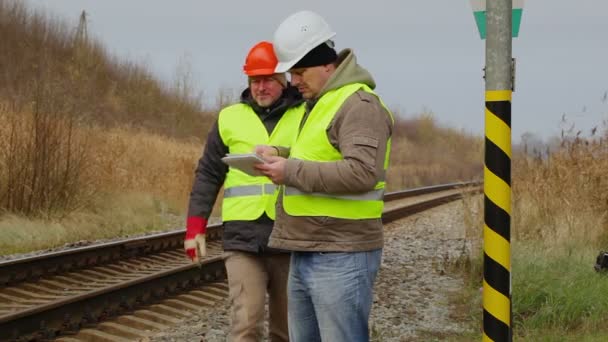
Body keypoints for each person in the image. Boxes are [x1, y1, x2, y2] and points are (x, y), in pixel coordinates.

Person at [255, 10, 394, 342]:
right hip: (308, 247)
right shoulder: (320, 103)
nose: (294, 81)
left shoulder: (358, 104)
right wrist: (282, 157)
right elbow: (323, 157)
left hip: (342, 253)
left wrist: (290, 171)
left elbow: (362, 172)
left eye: (300, 72)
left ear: (327, 65)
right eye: (292, 74)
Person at [184, 41, 305, 342]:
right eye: (255, 80)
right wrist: (195, 227)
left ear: (283, 80)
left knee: (287, 330)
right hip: (242, 237)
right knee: (245, 325)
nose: (260, 87)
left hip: (291, 235)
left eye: (267, 80)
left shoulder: (306, 115)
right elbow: (209, 173)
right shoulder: (229, 118)